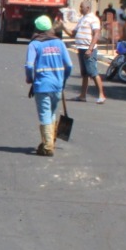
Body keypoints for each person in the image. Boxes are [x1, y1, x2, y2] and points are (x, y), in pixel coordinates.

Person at [25, 14, 72, 156]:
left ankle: (47, 146)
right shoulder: (59, 43)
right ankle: (50, 140)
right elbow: (69, 65)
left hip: (42, 85)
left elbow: (29, 65)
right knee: (51, 113)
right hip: (57, 85)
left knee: (45, 114)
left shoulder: (34, 44)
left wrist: (29, 78)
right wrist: (63, 80)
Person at [72, 0, 106, 103]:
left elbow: (96, 34)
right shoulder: (82, 19)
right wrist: (63, 27)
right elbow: (73, 33)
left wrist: (90, 49)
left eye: (81, 7)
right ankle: (82, 95)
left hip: (88, 49)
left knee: (92, 72)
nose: (80, 9)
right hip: (81, 48)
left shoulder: (93, 19)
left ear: (87, 8)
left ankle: (101, 95)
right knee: (85, 73)